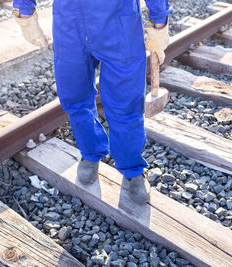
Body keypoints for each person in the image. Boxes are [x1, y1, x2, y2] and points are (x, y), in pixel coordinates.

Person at [12, 0, 172, 204]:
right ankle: (90, 152)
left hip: (118, 24)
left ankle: (132, 167)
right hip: (70, 25)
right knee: (75, 96)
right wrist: (24, 9)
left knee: (126, 102)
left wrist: (159, 18)